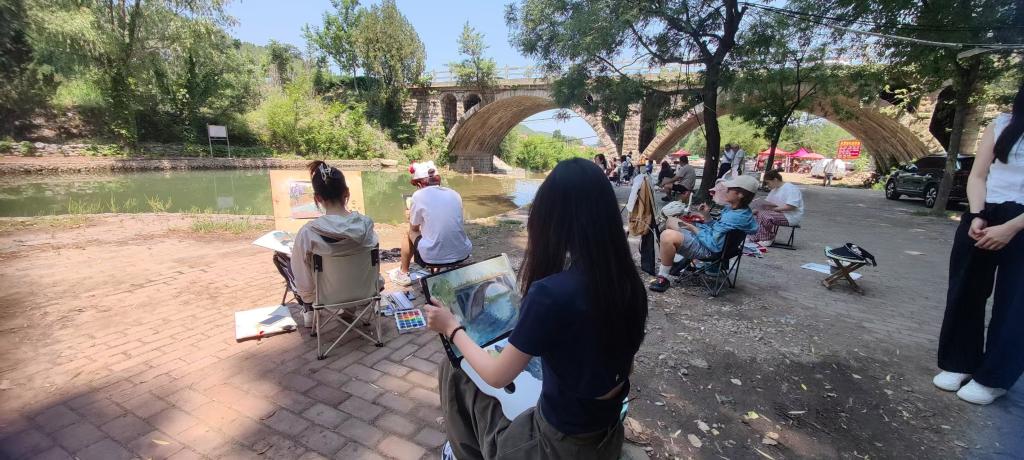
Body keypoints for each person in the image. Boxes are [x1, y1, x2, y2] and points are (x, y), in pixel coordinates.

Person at [424, 158, 648, 460]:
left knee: (456, 371)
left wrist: (451, 328)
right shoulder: (628, 283)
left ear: (552, 219)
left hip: (553, 447)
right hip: (604, 436)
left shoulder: (551, 294)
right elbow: (624, 366)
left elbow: (496, 376)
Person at [934, 85, 1024, 405]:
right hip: (985, 213)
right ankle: (960, 361)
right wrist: (977, 214)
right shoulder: (1002, 124)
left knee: (1015, 303)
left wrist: (1012, 227)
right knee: (965, 290)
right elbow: (978, 175)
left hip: (1021, 221)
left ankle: (994, 377)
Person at [290, 161, 379, 328]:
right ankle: (349, 310)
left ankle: (309, 312)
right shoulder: (367, 226)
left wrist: (308, 297)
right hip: (366, 291)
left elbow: (302, 276)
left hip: (325, 296)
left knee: (292, 264)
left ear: (317, 198)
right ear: (347, 192)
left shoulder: (308, 232)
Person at [648, 175, 759, 292]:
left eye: (730, 189)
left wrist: (693, 228)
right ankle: (676, 261)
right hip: (718, 246)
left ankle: (663, 277)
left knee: (667, 235)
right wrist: (706, 215)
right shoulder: (740, 211)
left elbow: (713, 245)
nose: (726, 190)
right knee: (671, 220)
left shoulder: (734, 217)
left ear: (740, 195)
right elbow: (718, 231)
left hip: (710, 251)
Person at [389, 161, 472, 286]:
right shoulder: (454, 194)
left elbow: (414, 228)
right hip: (463, 252)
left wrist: (410, 216)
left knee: (409, 233)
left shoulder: (418, 196)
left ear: (419, 183)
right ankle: (440, 267)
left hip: (434, 257)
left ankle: (403, 273)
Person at [749, 169, 804, 246]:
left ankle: (767, 238)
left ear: (775, 180)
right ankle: (756, 237)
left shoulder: (791, 188)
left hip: (790, 216)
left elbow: (791, 207)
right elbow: (766, 203)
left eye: (768, 183)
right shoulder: (774, 190)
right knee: (755, 215)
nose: (767, 185)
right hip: (777, 213)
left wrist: (773, 209)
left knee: (764, 215)